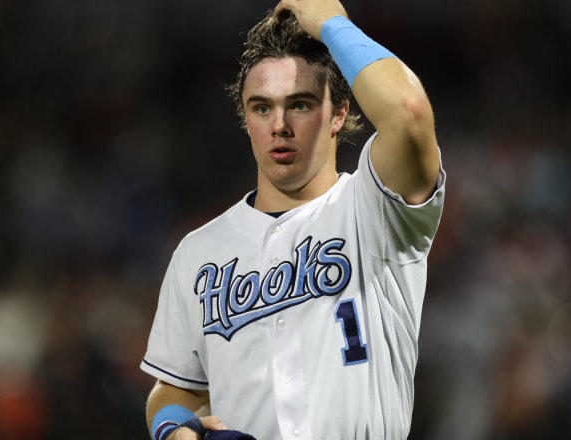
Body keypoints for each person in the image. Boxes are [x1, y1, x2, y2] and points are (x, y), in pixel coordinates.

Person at [140, 0, 445, 438]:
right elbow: (173, 390)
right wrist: (171, 429)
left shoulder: (377, 208)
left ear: (339, 112)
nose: (278, 124)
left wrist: (333, 26)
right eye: (261, 107)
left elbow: (408, 112)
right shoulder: (197, 251)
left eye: (299, 105)